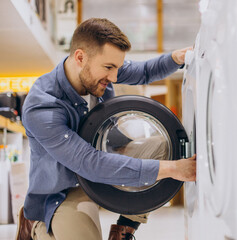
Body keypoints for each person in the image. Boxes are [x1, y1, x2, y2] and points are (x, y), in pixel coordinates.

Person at [15, 18, 196, 240]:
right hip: (64, 192)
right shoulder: (42, 106)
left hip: (105, 166)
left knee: (162, 145)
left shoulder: (100, 72)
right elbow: (88, 163)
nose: (114, 78)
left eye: (117, 68)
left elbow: (145, 71)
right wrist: (172, 169)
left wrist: (177, 58)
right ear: (80, 57)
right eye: (109, 68)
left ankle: (125, 229)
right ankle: (36, 226)